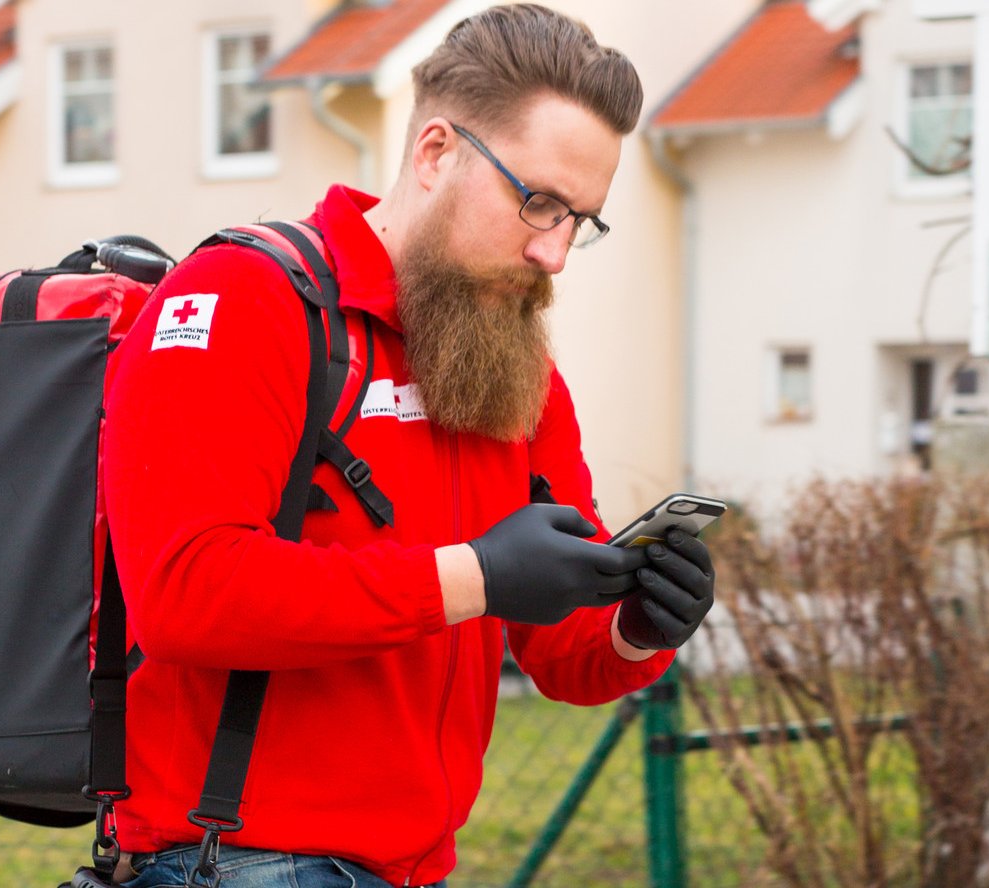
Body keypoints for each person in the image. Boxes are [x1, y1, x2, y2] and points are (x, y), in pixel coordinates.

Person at [102, 5, 715, 887]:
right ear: (436, 153)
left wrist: (636, 624)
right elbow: (184, 593)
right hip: (230, 860)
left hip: (412, 867)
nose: (555, 254)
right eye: (537, 202)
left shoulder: (511, 362)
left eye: (581, 219)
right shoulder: (246, 299)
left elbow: (561, 655)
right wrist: (477, 577)